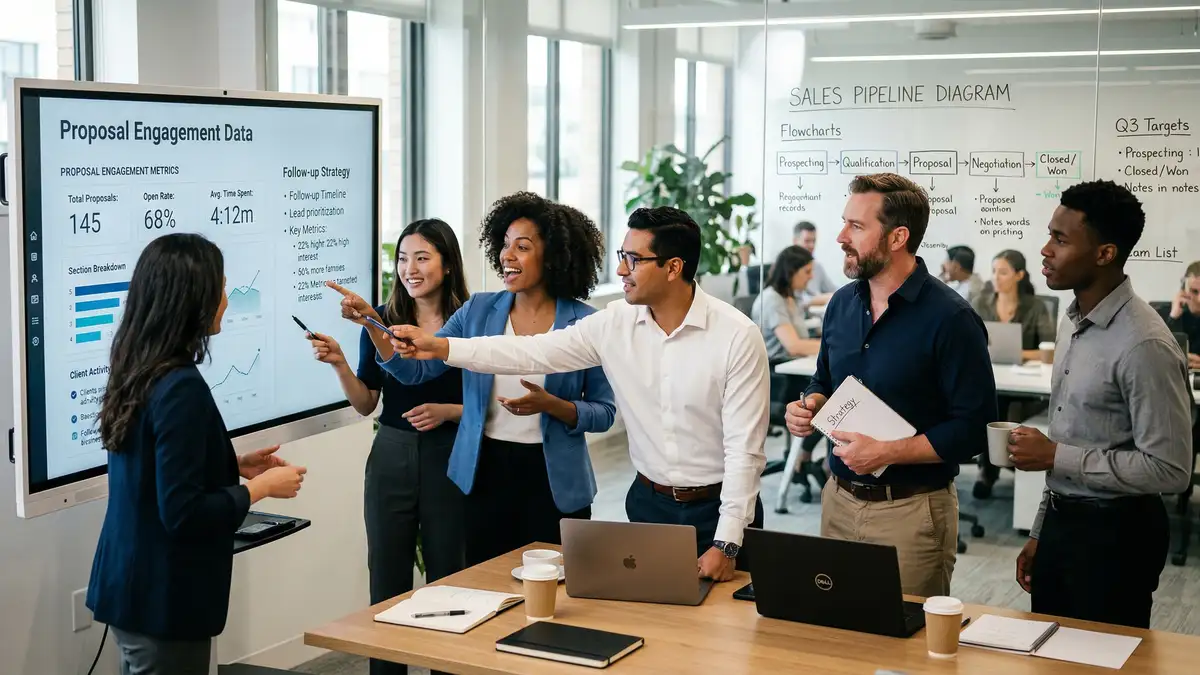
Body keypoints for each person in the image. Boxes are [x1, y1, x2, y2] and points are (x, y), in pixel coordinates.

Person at [388, 206, 769, 582]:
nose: (621, 269)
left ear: (673, 268)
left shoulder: (735, 336)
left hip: (721, 511)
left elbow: (745, 451)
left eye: (634, 260)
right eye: (623, 257)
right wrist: (441, 347)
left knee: (724, 637)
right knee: (657, 625)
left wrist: (728, 542)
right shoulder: (613, 324)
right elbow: (529, 351)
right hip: (647, 504)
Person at [353, 193, 615, 567]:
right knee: (486, 589)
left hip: (552, 479)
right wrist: (373, 324)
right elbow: (417, 371)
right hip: (484, 473)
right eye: (505, 245)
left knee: (558, 591)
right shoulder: (476, 310)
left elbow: (604, 412)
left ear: (555, 255)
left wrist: (552, 406)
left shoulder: (587, 323)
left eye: (521, 247)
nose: (507, 256)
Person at [86, 233, 307, 675]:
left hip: (130, 588)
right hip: (164, 599)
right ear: (193, 300)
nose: (227, 300)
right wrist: (260, 488)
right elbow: (183, 512)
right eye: (221, 289)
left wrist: (230, 464)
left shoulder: (137, 366)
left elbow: (150, 466)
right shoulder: (181, 385)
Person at [785, 173, 996, 598]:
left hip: (912, 511)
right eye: (845, 223)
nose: (842, 236)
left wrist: (888, 451)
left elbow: (975, 427)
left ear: (898, 237)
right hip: (838, 500)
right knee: (837, 635)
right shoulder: (842, 304)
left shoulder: (951, 319)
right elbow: (823, 378)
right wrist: (809, 403)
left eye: (857, 227)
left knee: (906, 652)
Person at [1009, 180, 1192, 629]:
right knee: (1049, 654)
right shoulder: (1072, 322)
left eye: (1060, 239)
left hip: (1119, 536)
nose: (1045, 250)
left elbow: (1171, 468)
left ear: (1105, 254)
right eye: (1049, 235)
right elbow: (1072, 433)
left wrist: (1054, 456)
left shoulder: (1144, 343)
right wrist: (1040, 531)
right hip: (1062, 522)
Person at [313, 219, 468, 675]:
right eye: (402, 258)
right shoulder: (378, 320)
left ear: (447, 262)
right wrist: (341, 363)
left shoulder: (471, 321)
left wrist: (448, 411)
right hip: (391, 456)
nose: (410, 268)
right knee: (386, 576)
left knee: (449, 576)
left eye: (422, 257)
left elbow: (490, 402)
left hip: (450, 454)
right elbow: (366, 404)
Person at [969, 249, 1057, 499]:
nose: (997, 277)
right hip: (992, 377)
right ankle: (989, 470)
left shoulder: (1036, 306)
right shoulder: (980, 303)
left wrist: (1019, 353)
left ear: (1019, 275)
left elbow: (1049, 349)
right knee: (990, 401)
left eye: (1003, 272)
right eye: (994, 271)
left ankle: (1000, 467)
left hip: (1026, 387)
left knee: (1003, 407)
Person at [751, 245, 826, 500]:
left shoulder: (790, 297)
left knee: (833, 392)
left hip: (792, 372)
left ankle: (804, 457)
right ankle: (803, 457)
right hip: (777, 379)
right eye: (806, 272)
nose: (809, 278)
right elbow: (793, 344)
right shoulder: (772, 299)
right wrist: (833, 347)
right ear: (791, 271)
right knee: (828, 400)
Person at [1159, 260, 1200, 369]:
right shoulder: (1162, 314)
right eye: (1194, 292)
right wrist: (1173, 318)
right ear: (1183, 289)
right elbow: (1154, 353)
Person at [794, 221, 840, 305]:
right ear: (795, 241)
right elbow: (799, 301)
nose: (812, 245)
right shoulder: (788, 268)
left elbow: (833, 289)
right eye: (807, 241)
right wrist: (829, 297)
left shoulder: (817, 267)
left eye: (813, 241)